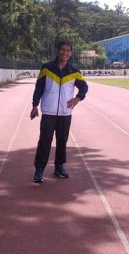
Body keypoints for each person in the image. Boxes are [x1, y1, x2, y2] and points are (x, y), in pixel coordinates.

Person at [30, 40, 88, 183]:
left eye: (68, 50)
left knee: (62, 141)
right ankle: (39, 169)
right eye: (62, 50)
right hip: (48, 112)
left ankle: (59, 166)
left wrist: (77, 98)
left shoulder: (74, 72)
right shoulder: (47, 68)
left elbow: (84, 87)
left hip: (65, 113)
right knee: (44, 141)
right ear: (58, 51)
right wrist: (35, 105)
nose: (65, 53)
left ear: (71, 53)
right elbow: (39, 88)